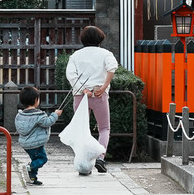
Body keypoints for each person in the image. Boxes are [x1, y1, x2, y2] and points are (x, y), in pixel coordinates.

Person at [65, 25, 118, 173]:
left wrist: (83, 89)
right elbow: (112, 67)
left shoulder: (76, 56)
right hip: (99, 94)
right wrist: (104, 86)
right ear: (100, 39)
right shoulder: (106, 54)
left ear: (83, 39)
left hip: (80, 95)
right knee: (104, 128)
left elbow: (71, 74)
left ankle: (83, 164)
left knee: (82, 129)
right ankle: (100, 158)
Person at [14, 86, 61, 186]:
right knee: (42, 159)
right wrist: (55, 115)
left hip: (25, 144)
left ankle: (32, 178)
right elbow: (48, 122)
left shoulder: (20, 115)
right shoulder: (38, 115)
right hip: (36, 144)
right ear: (36, 100)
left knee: (35, 159)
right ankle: (29, 168)